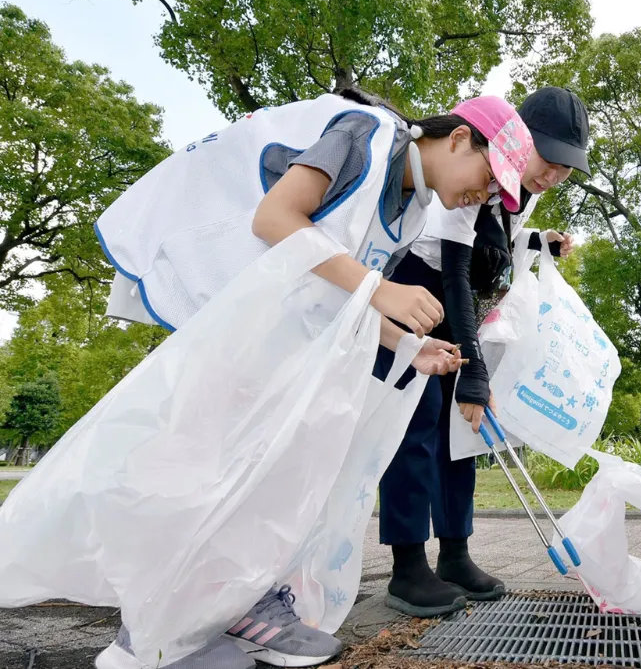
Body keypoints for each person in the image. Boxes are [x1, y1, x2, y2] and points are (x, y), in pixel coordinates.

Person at [90, 89, 534, 669]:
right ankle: (144, 636)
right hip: (215, 280)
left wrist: (408, 346)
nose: (485, 194)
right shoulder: (364, 134)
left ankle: (238, 607)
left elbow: (335, 289)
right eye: (487, 173)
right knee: (209, 459)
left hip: (270, 312)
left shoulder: (414, 207)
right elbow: (274, 218)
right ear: (456, 138)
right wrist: (380, 289)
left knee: (268, 461)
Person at [372, 86, 590, 618]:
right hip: (412, 290)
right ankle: (407, 567)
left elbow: (494, 240)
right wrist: (471, 369)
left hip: (461, 303)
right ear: (517, 139)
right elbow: (451, 267)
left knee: (462, 432)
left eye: (569, 168)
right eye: (552, 159)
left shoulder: (522, 188)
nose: (555, 175)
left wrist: (536, 239)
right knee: (416, 423)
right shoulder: (472, 172)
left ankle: (455, 554)